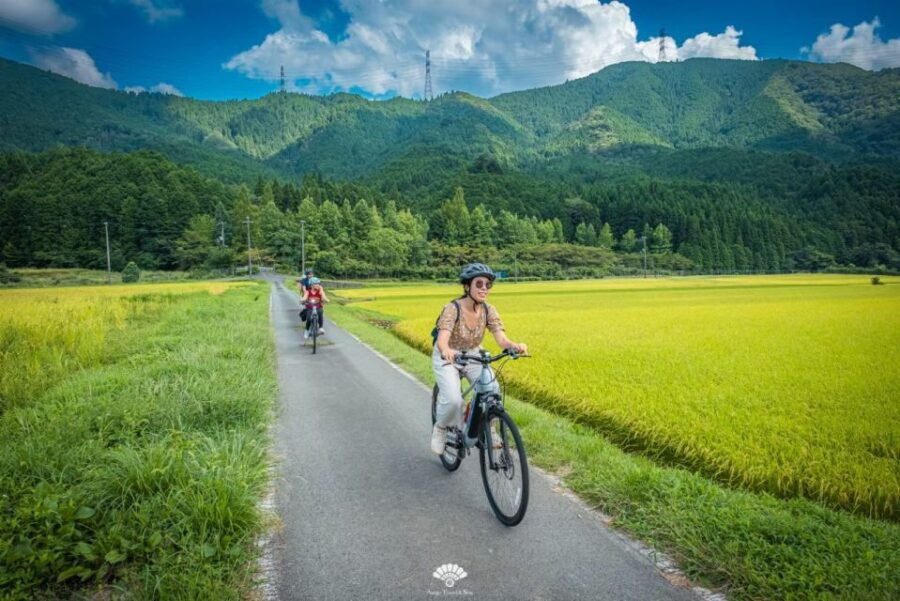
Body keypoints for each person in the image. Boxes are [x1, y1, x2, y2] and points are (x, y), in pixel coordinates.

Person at [431, 263, 527, 455]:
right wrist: (447, 351)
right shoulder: (452, 308)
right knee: (452, 400)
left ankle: (488, 428)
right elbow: (442, 340)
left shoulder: (489, 310)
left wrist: (514, 346)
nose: (484, 288)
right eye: (479, 284)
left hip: (474, 353)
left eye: (488, 285)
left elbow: (501, 339)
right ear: (467, 286)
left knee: (492, 390)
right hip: (449, 354)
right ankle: (441, 428)